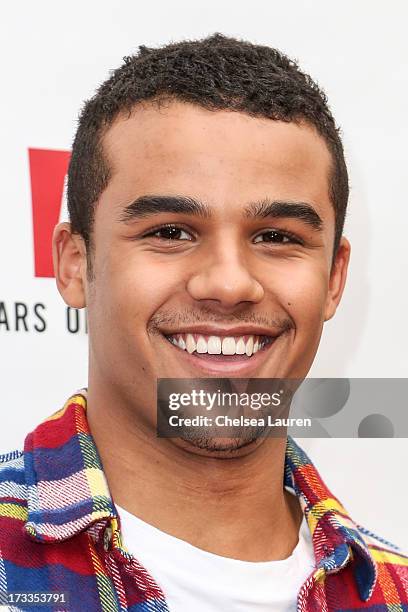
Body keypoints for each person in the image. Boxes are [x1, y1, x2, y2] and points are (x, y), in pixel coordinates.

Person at [0, 33, 406, 612]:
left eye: (277, 237)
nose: (229, 284)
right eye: (170, 232)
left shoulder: (392, 592)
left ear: (335, 279)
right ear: (72, 264)